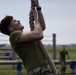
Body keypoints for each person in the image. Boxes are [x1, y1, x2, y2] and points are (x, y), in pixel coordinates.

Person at [0, 0, 52, 75]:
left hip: (42, 71)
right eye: (15, 21)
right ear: (11, 29)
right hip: (38, 72)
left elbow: (41, 28)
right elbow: (39, 34)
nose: (18, 21)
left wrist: (38, 8)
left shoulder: (22, 36)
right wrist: (35, 18)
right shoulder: (13, 35)